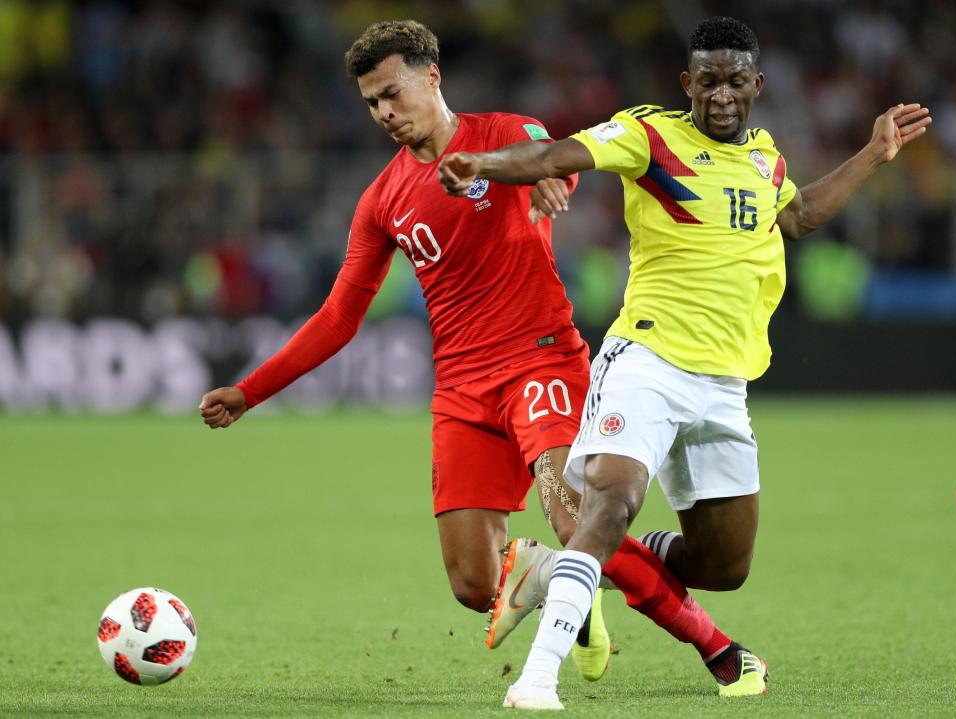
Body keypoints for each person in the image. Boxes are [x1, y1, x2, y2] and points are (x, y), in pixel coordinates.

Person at [199, 19, 758, 695]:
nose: (384, 112)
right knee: (474, 583)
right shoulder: (382, 201)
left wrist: (556, 186)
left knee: (575, 516)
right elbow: (340, 316)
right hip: (463, 391)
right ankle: (555, 577)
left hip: (541, 362)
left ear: (432, 77)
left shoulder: (507, 132)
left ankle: (720, 648)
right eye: (372, 101)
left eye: (393, 92)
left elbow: (553, 161)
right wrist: (249, 391)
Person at [439, 15, 931, 711]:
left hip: (724, 384)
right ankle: (537, 676)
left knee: (723, 565)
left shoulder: (764, 156)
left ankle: (552, 567)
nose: (721, 94)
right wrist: (482, 164)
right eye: (708, 81)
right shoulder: (648, 135)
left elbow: (800, 217)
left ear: (757, 85)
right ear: (686, 83)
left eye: (735, 81)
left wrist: (875, 154)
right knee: (612, 501)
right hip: (648, 360)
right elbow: (554, 156)